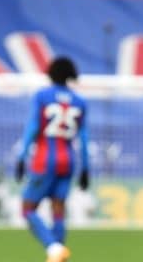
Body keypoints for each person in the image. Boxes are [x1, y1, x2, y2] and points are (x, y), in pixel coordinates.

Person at [15, 57, 89, 262]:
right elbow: (83, 138)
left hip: (44, 160)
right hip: (68, 162)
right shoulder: (80, 101)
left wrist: (22, 157)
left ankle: (53, 246)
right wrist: (86, 169)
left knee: (27, 209)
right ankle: (57, 254)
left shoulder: (42, 96)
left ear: (51, 73)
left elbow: (33, 128)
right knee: (58, 209)